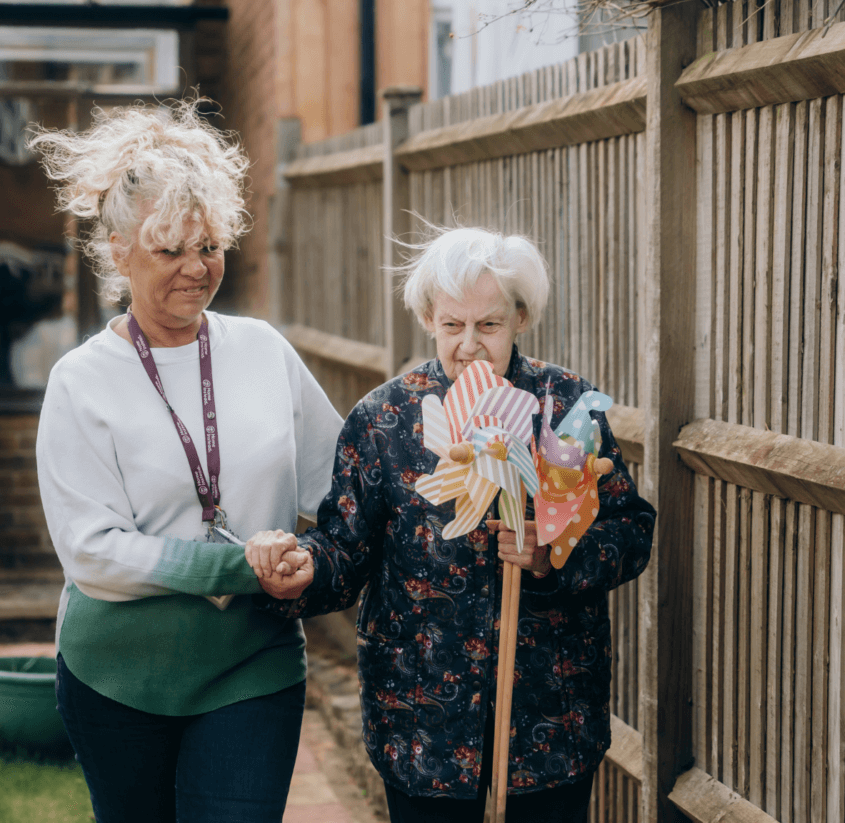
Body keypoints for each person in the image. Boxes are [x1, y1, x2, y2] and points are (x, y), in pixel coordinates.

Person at [246, 227, 657, 823]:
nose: (469, 345)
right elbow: (344, 548)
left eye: (488, 325)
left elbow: (629, 531)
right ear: (428, 320)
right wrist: (304, 569)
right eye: (451, 325)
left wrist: (556, 552)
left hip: (549, 718)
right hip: (422, 722)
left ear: (520, 317)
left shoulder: (564, 407)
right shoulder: (385, 418)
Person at [31, 102, 342, 823]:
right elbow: (92, 552)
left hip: (251, 664)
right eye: (169, 250)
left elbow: (343, 487)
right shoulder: (82, 380)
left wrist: (317, 561)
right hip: (116, 675)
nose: (196, 269)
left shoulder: (263, 350)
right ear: (118, 251)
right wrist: (242, 567)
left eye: (208, 246)